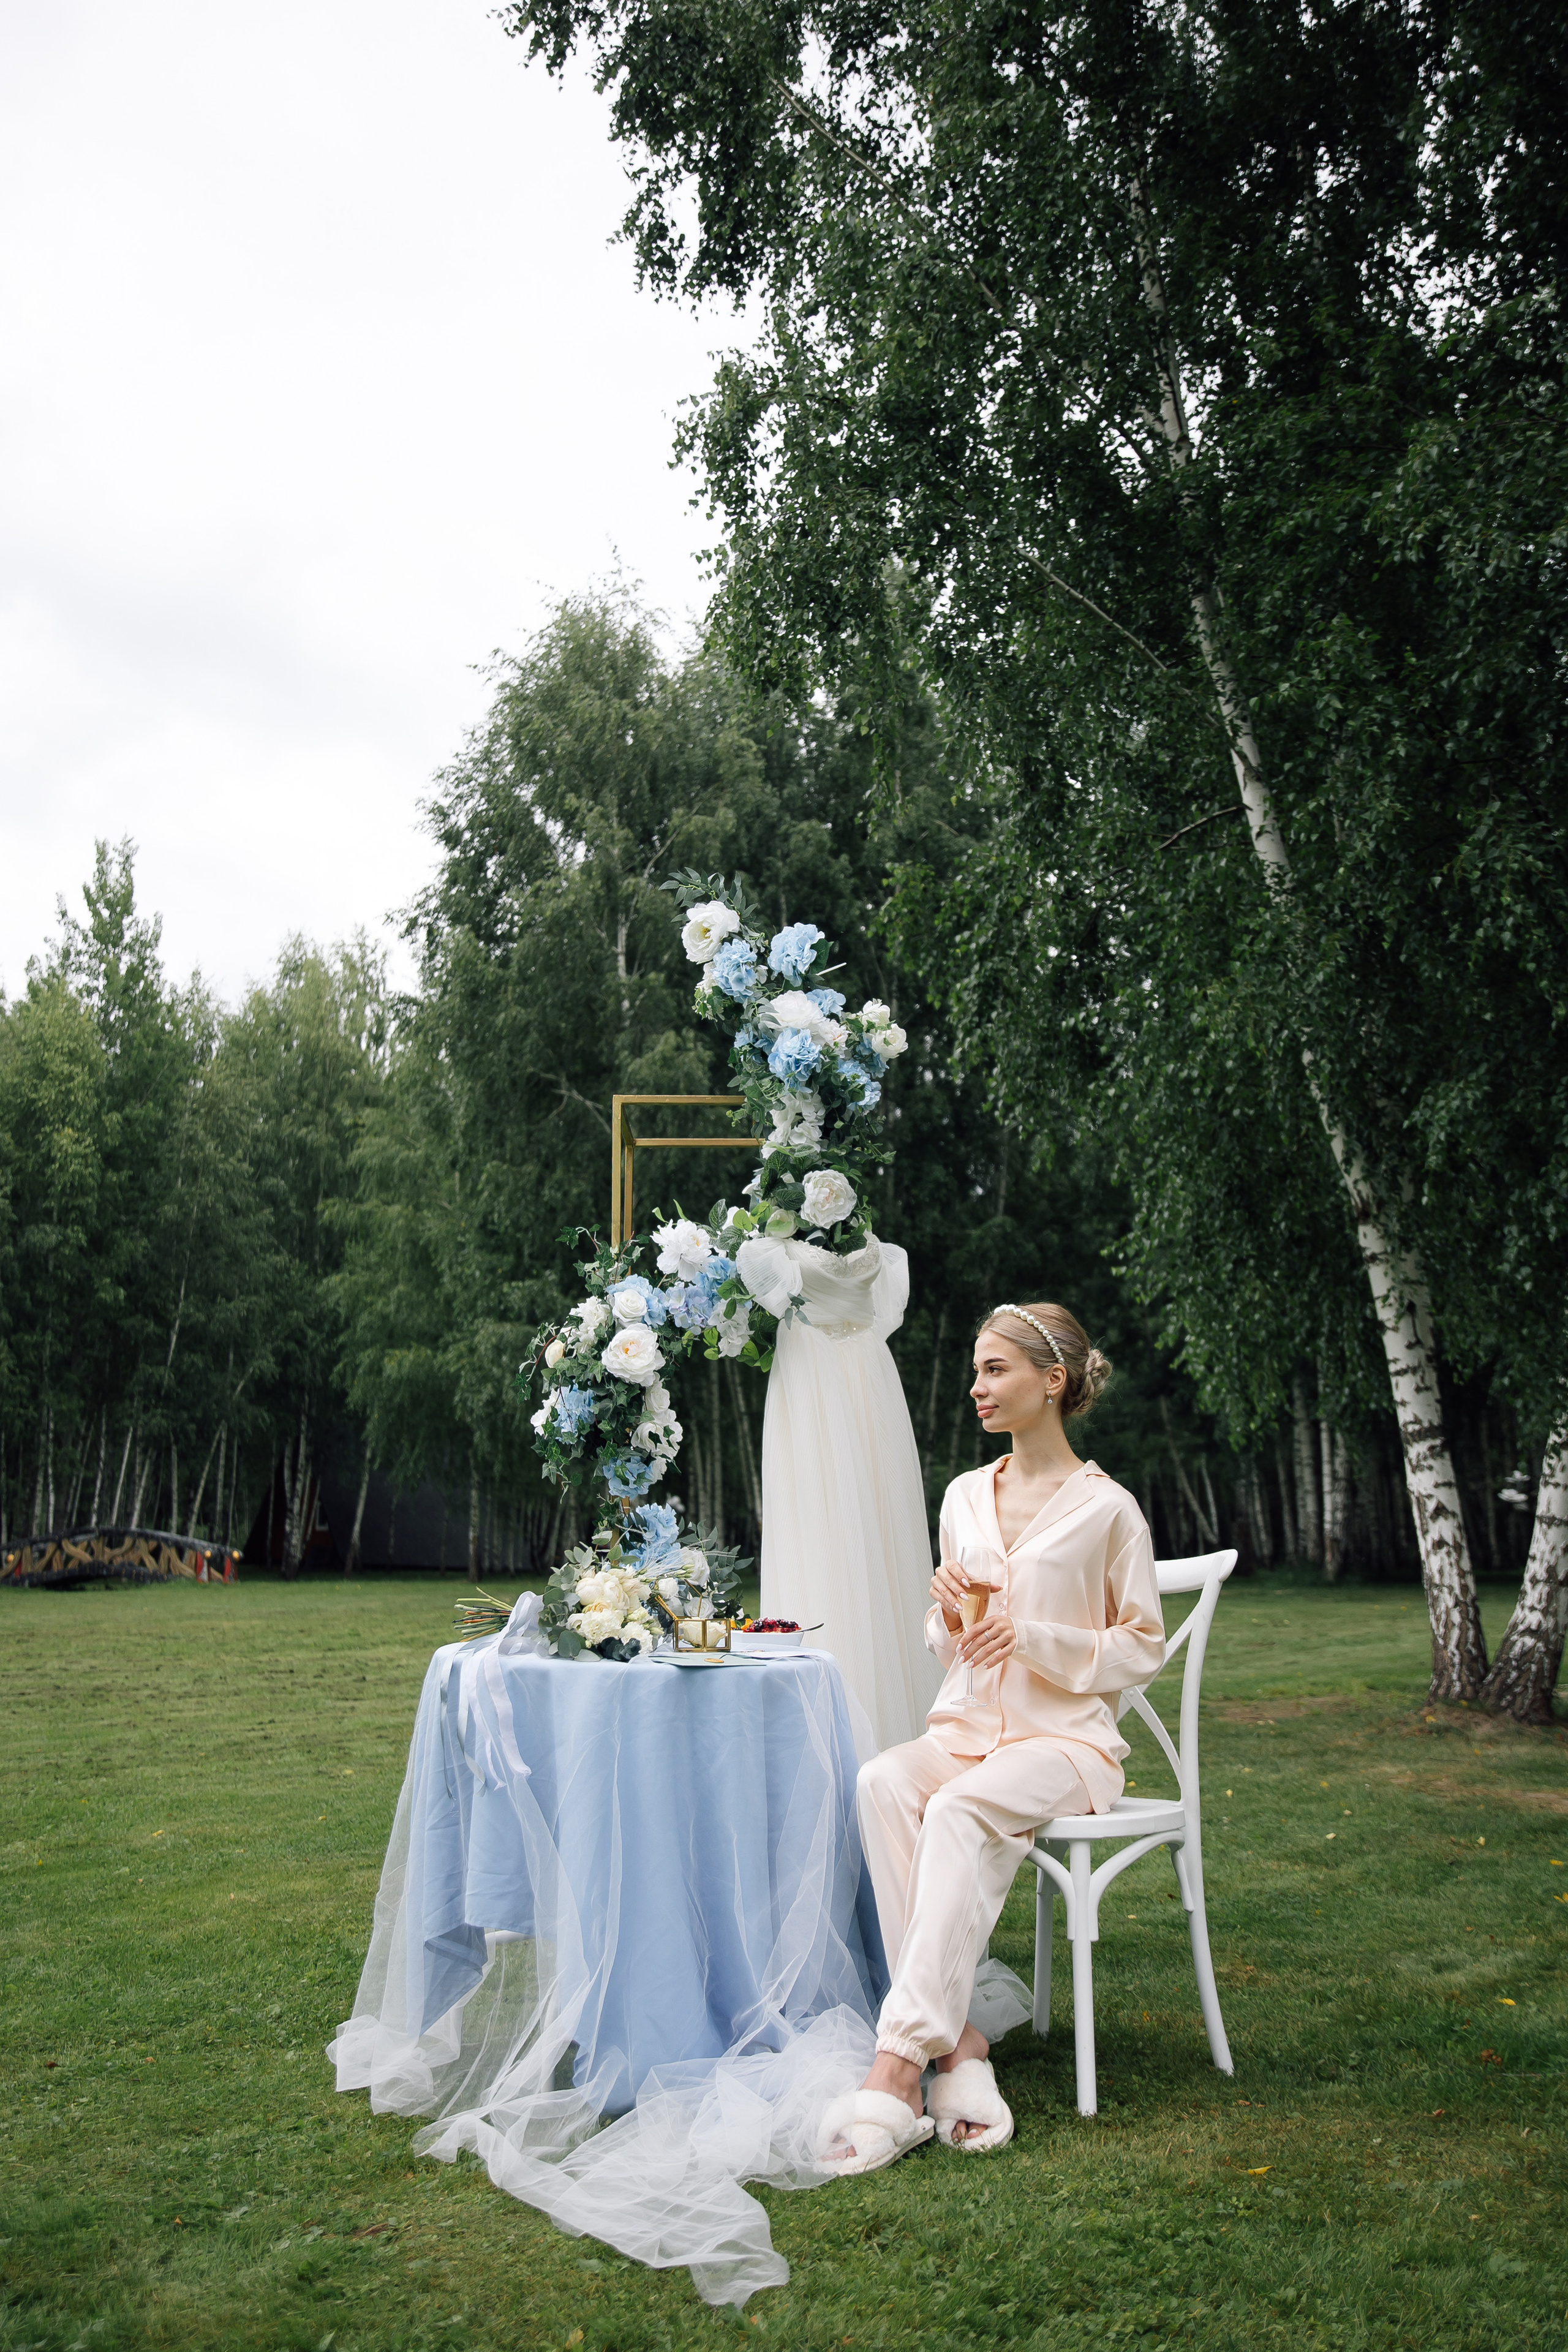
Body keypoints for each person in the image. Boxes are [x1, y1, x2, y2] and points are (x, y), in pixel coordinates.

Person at [819, 1301, 1164, 2171]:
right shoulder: (965, 1496)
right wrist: (946, 1617)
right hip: (970, 1728)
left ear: (1053, 1381)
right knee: (881, 1782)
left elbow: (1142, 1646)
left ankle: (898, 2067)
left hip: (1066, 1746)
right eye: (976, 1371)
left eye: (994, 1369)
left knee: (958, 1810)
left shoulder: (1109, 1510)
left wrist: (1037, 1637)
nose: (976, 1387)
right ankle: (960, 2045)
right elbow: (953, 1645)